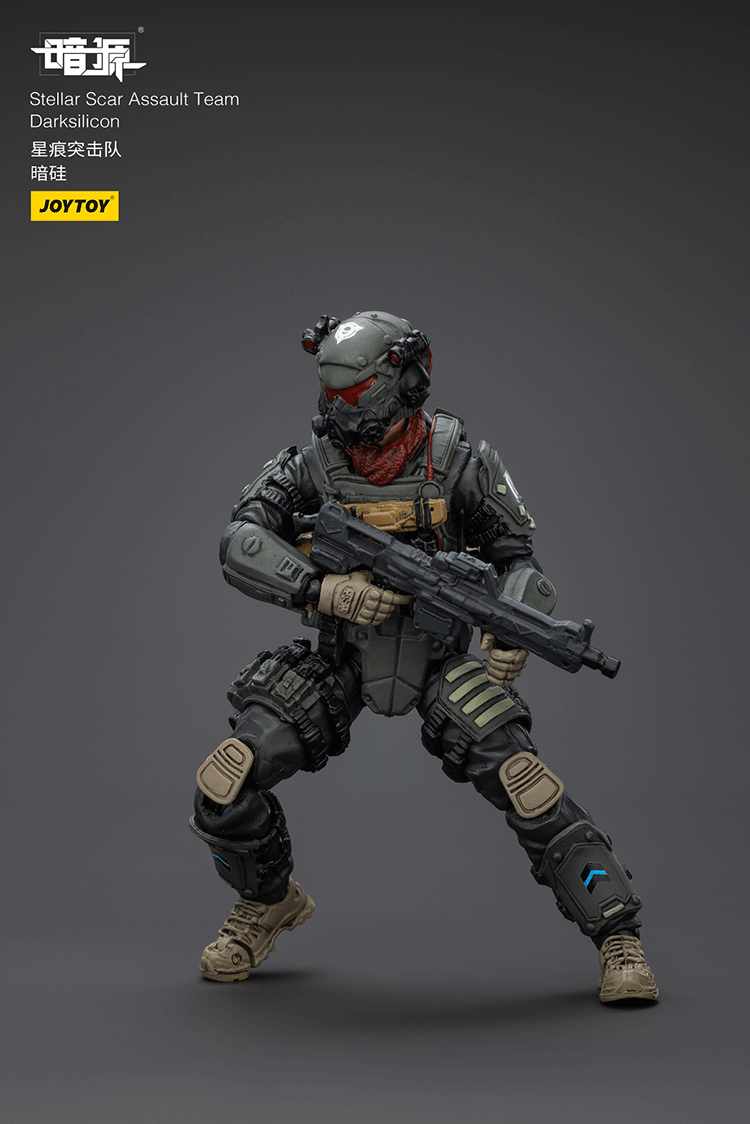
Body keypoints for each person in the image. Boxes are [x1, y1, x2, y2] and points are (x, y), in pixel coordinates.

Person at [190, 310, 658, 1003]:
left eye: (355, 393)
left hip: (439, 657)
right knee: (226, 778)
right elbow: (240, 540)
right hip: (344, 654)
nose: (339, 408)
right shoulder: (311, 464)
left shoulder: (461, 460)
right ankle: (267, 901)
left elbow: (519, 562)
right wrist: (322, 589)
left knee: (525, 780)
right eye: (332, 392)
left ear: (404, 382)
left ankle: (617, 933)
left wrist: (512, 630)